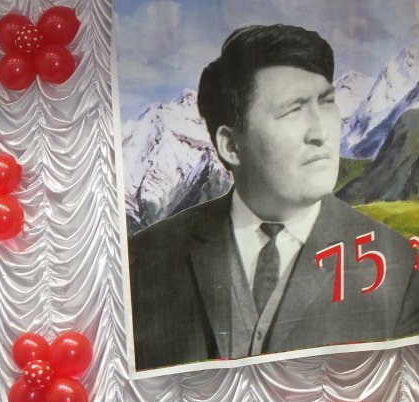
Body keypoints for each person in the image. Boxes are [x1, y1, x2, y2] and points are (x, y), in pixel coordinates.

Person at [128, 24, 419, 372]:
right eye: (292, 110)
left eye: (327, 101)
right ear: (231, 145)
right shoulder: (143, 260)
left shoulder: (397, 264)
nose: (321, 132)